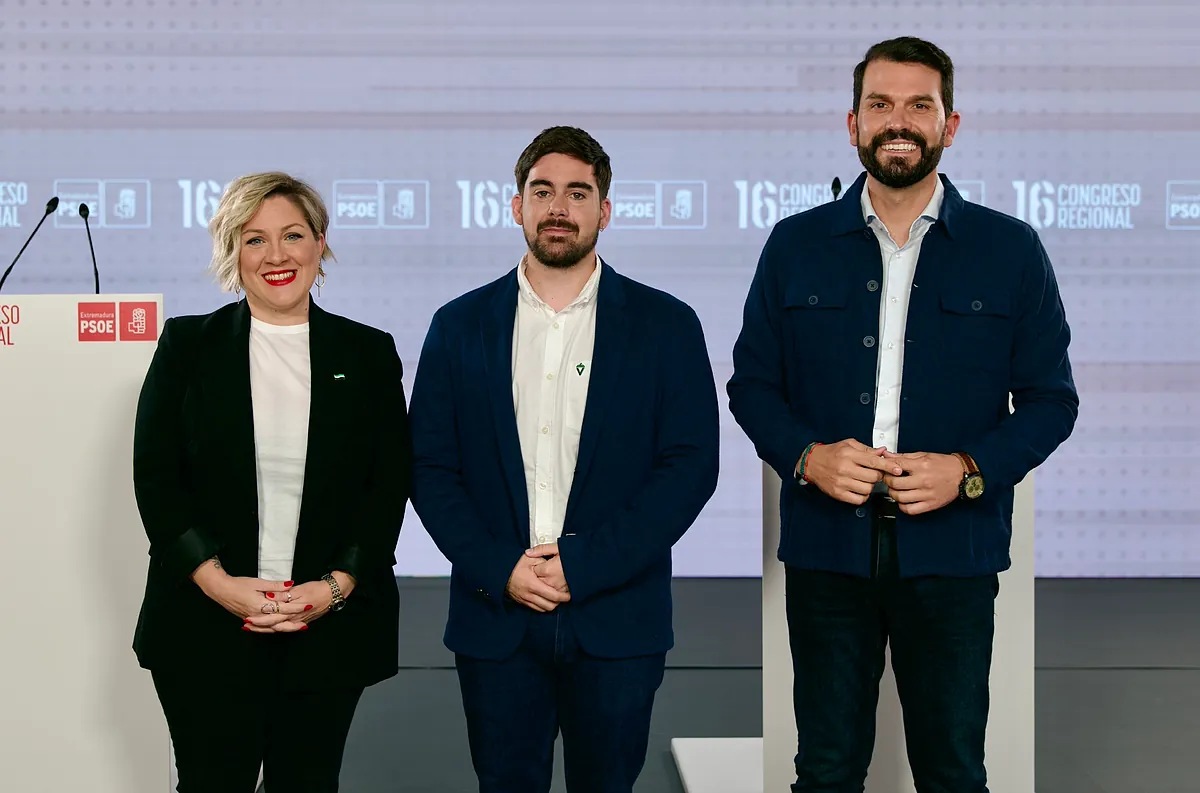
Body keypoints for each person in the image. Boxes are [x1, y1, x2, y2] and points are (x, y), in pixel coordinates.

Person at [728, 37, 1079, 792]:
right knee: (825, 770)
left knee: (952, 771)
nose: (899, 121)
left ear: (950, 125)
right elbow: (751, 385)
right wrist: (807, 457)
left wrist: (969, 471)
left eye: (920, 105)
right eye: (880, 104)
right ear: (852, 123)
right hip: (827, 551)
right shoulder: (794, 245)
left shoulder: (1010, 250)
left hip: (953, 555)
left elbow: (1052, 401)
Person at [409, 126, 720, 793]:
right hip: (496, 619)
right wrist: (501, 567)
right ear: (516, 206)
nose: (559, 207)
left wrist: (584, 565)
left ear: (604, 211)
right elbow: (431, 468)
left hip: (618, 620)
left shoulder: (667, 325)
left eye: (578, 193)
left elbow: (690, 467)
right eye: (542, 191)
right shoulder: (458, 326)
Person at [131, 171, 411, 792]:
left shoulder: (367, 352)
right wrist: (219, 584)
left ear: (320, 244)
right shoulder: (188, 344)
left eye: (293, 235)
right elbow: (156, 476)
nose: (277, 255)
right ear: (233, 251)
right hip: (205, 624)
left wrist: (334, 587)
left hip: (326, 626)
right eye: (255, 239)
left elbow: (387, 485)